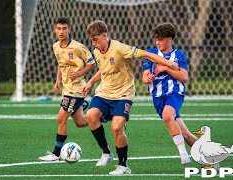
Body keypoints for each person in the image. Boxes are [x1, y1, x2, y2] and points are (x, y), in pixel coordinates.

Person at [81, 20, 179, 175]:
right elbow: (104, 69)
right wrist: (90, 83)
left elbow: (146, 54)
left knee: (117, 127)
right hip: (104, 92)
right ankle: (106, 152)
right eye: (91, 40)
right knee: (91, 116)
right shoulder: (97, 51)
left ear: (105, 36)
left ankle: (123, 166)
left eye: (95, 39)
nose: (93, 43)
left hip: (123, 93)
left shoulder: (120, 48)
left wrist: (169, 64)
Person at [39, 17, 96, 161]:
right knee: (80, 122)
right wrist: (58, 79)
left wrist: (78, 73)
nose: (61, 31)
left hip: (76, 89)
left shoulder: (78, 47)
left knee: (61, 119)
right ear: (54, 30)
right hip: (67, 88)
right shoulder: (56, 46)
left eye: (64, 28)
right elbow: (60, 63)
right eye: (58, 28)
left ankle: (56, 154)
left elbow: (91, 63)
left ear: (69, 29)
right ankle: (103, 115)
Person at [141, 22, 199, 166]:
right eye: (156, 39)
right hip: (158, 97)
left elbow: (184, 77)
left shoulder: (179, 55)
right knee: (185, 134)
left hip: (175, 93)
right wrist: (148, 79)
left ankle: (183, 153)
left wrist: (166, 69)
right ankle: (210, 157)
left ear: (169, 39)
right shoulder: (151, 53)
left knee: (167, 116)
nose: (157, 42)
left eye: (160, 39)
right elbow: (144, 77)